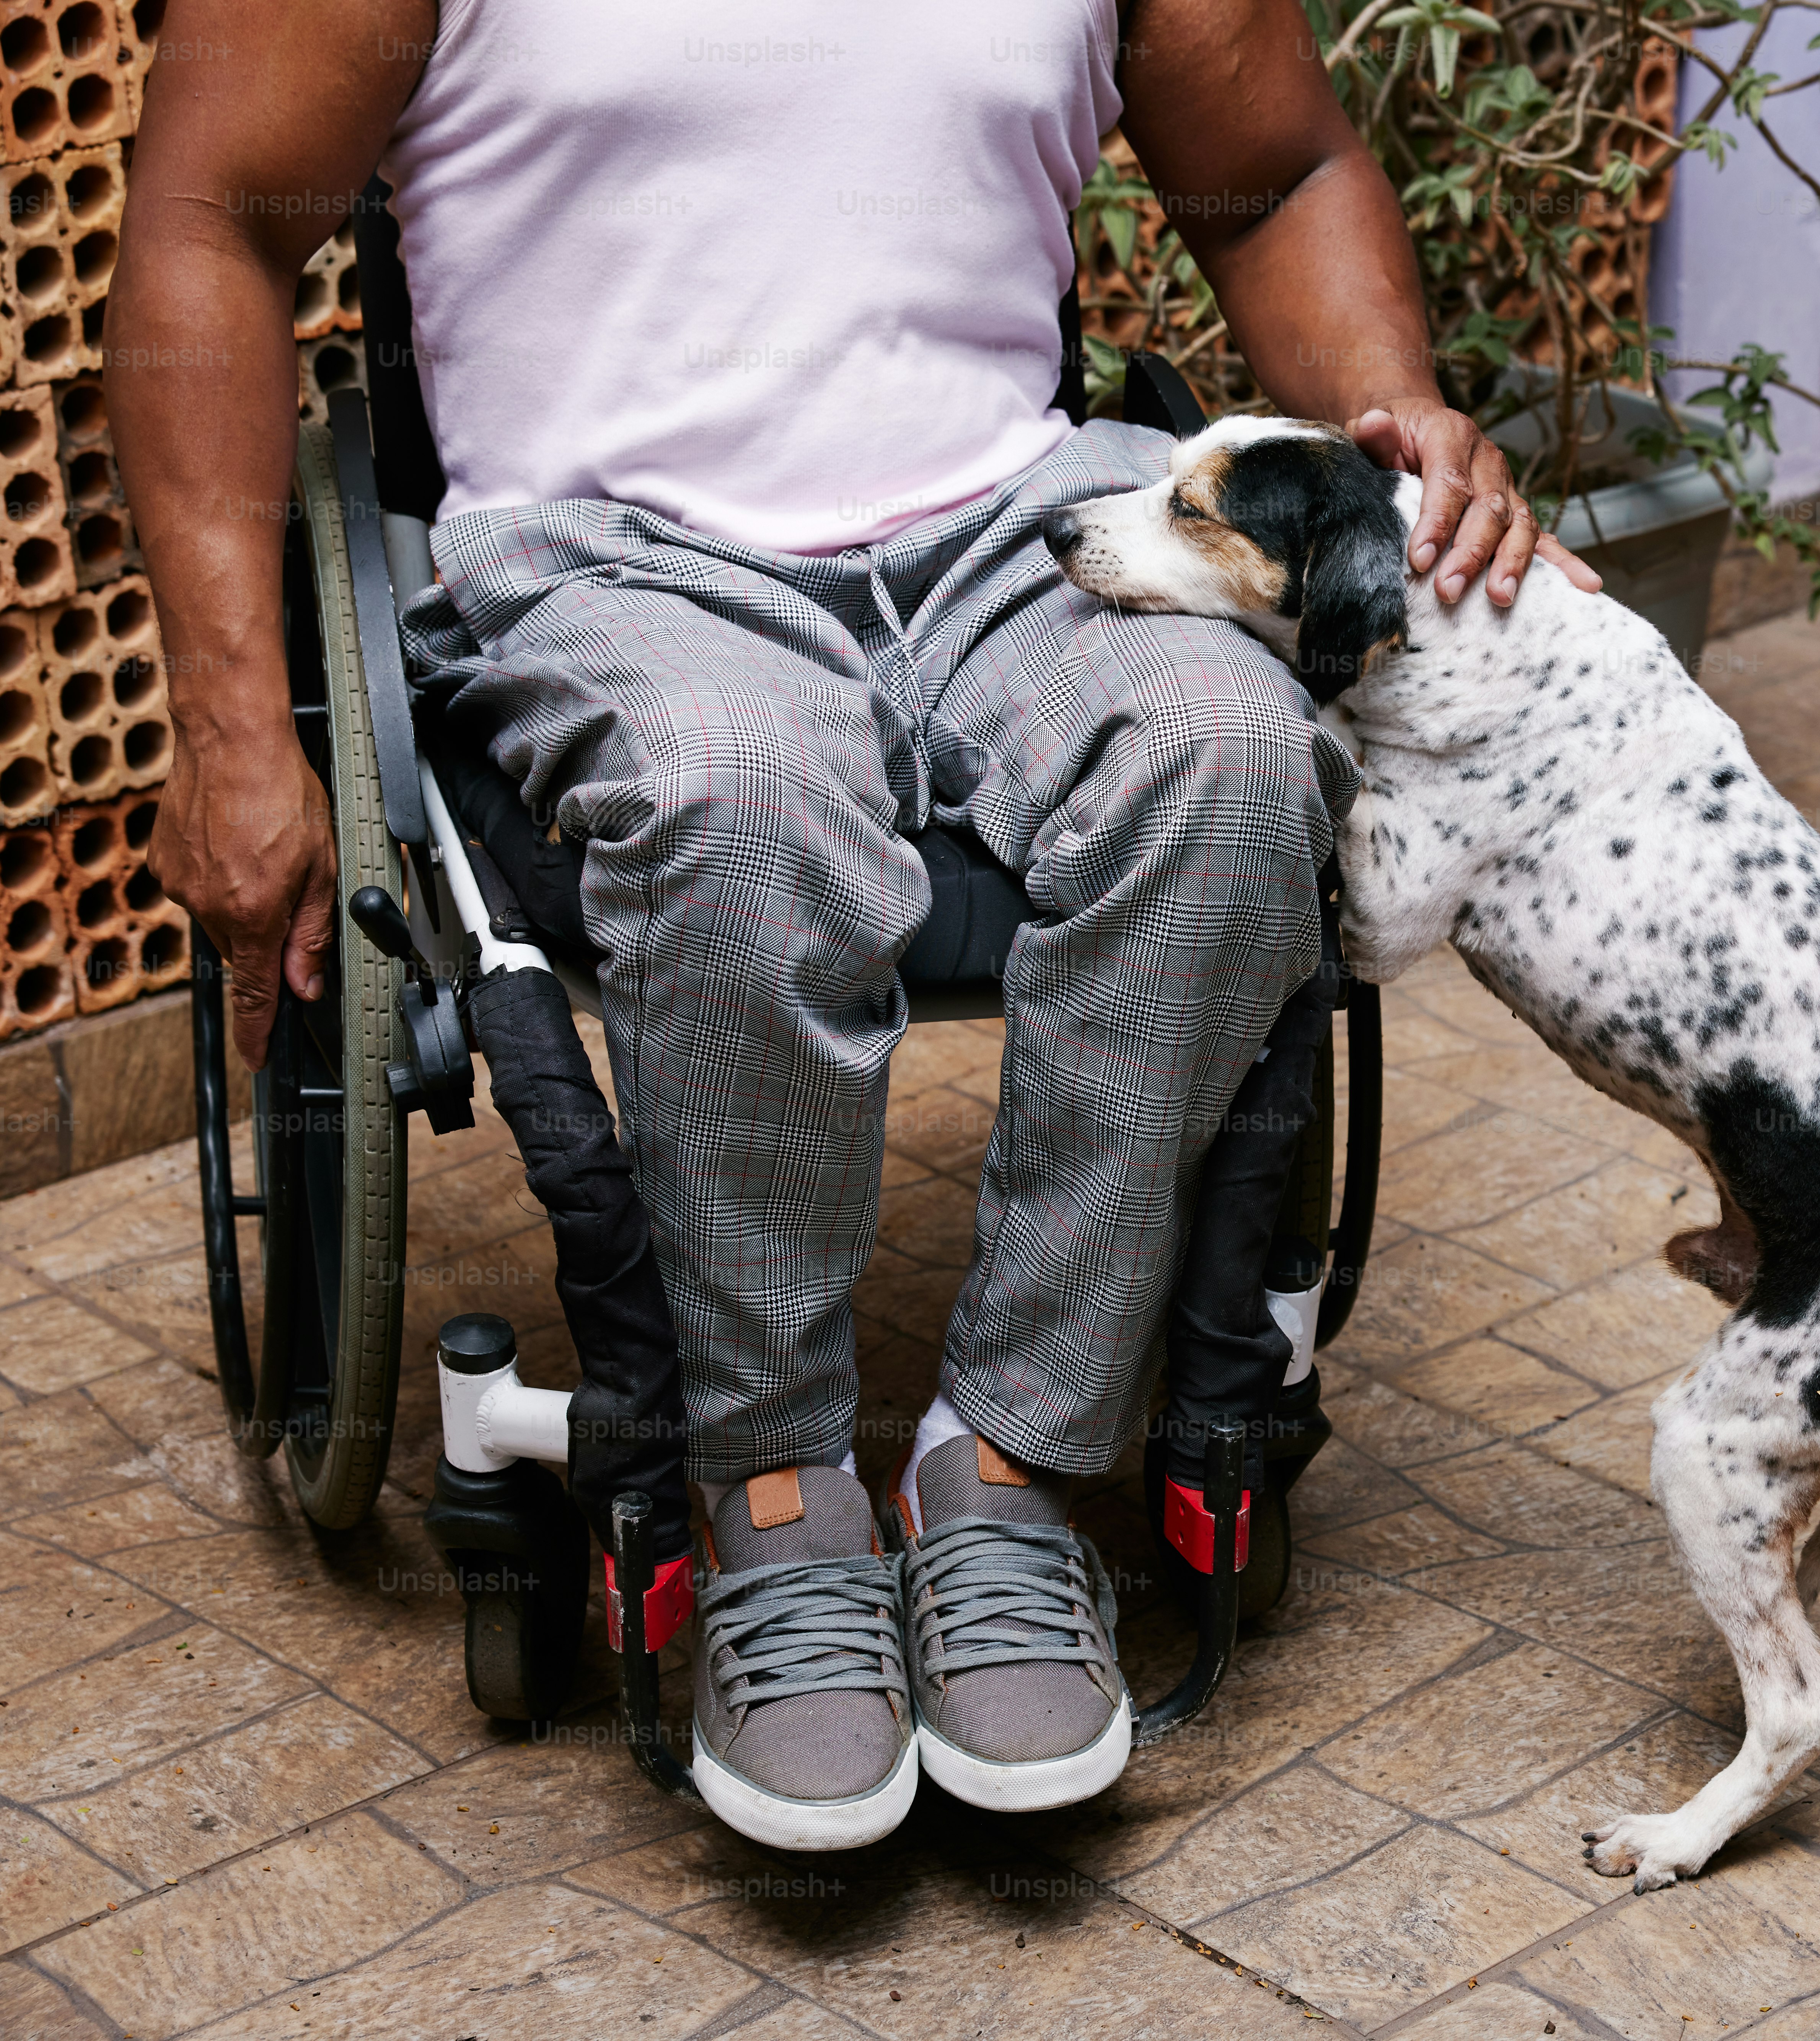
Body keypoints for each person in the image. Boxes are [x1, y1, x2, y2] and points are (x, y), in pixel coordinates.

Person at [112, 0, 1596, 1849]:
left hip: (1012, 518)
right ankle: (772, 1495)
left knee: (1228, 751)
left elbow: (1276, 165)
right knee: (739, 793)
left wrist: (1395, 415)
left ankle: (1013, 1464)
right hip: (617, 547)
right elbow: (213, 223)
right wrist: (238, 724)